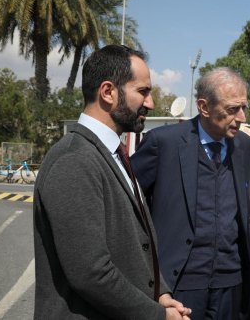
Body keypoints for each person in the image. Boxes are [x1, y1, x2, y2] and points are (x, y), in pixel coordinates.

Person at [33, 45, 191, 320]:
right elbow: (90, 273)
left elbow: (132, 244)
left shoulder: (113, 154)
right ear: (108, 92)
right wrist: (158, 316)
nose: (151, 103)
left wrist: (161, 294)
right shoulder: (74, 161)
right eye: (143, 91)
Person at [131, 67, 250, 320]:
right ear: (204, 107)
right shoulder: (163, 143)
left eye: (243, 107)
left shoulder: (245, 146)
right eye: (232, 109)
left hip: (230, 284)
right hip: (180, 283)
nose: (241, 117)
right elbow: (126, 205)